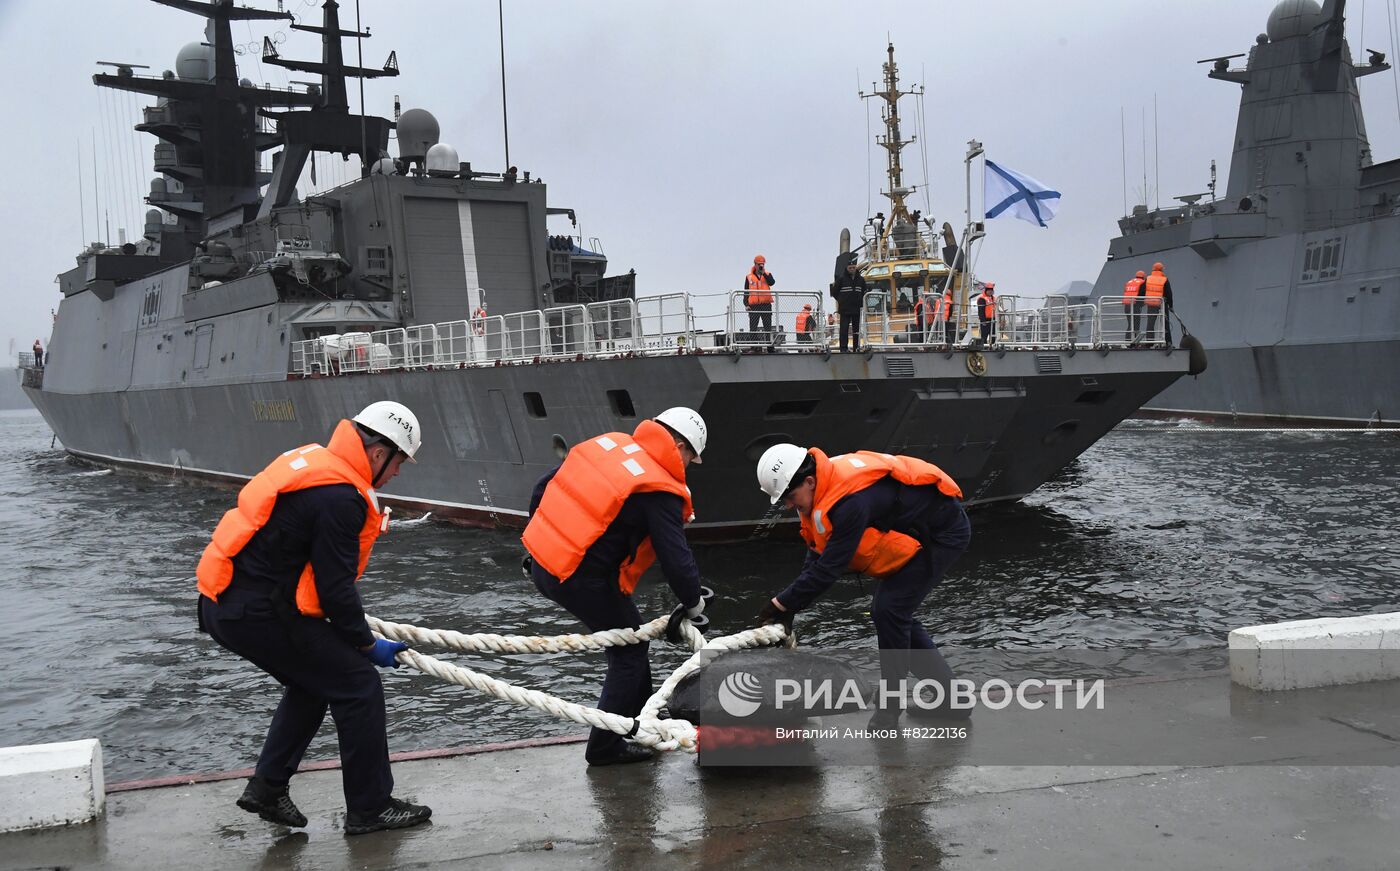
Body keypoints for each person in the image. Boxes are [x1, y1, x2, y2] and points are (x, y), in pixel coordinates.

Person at [196, 401, 432, 835]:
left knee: (316, 681)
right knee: (358, 685)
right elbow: (335, 590)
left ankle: (268, 788)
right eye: (399, 462)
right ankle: (371, 808)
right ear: (379, 453)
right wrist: (366, 644)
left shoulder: (316, 461)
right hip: (257, 611)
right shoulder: (341, 498)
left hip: (222, 603)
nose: (398, 473)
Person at [523, 407, 709, 766]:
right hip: (579, 579)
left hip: (545, 565)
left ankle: (638, 720)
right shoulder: (660, 489)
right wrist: (693, 603)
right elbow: (675, 557)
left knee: (632, 637)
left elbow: (543, 488)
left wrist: (540, 543)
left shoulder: (609, 445)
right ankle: (605, 747)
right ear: (680, 447)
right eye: (691, 457)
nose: (688, 465)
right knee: (629, 652)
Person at [754, 443, 972, 726]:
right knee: (894, 613)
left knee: (890, 610)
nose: (788, 505)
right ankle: (953, 700)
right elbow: (818, 551)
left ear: (809, 481)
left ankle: (891, 707)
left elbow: (829, 568)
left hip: (943, 533)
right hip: (914, 530)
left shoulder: (850, 502)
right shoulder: (820, 487)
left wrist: (780, 603)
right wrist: (789, 607)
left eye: (790, 497)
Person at [832, 261, 868, 352]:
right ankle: (843, 348)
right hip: (845, 309)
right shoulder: (841, 279)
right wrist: (841, 301)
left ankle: (856, 348)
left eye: (853, 267)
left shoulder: (861, 280)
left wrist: (860, 301)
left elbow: (864, 291)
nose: (852, 269)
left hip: (856, 309)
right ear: (847, 268)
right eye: (850, 268)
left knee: (856, 330)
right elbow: (834, 292)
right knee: (844, 329)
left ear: (856, 268)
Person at [1143, 261, 1174, 345]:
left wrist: (1142, 302)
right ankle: (1168, 342)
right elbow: (1169, 294)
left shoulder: (1148, 278)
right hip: (1162, 303)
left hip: (1151, 304)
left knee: (1150, 323)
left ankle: (1149, 342)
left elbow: (1143, 291)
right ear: (1161, 270)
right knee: (1165, 323)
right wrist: (1171, 306)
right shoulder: (1164, 279)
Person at [744, 255, 776, 336]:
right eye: (759, 264)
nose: (761, 266)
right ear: (755, 264)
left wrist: (764, 274)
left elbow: (772, 282)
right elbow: (746, 291)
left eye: (762, 264)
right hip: (754, 306)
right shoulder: (749, 277)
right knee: (753, 328)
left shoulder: (767, 274)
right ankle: (753, 344)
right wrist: (746, 304)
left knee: (768, 327)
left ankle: (769, 344)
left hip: (766, 305)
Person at [1123, 270, 1145, 342]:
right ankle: (1132, 341)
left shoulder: (1129, 282)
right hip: (1135, 305)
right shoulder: (1142, 282)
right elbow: (1142, 294)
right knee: (1136, 324)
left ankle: (1128, 340)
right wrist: (1142, 304)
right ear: (1143, 277)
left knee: (1130, 324)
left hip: (1127, 306)